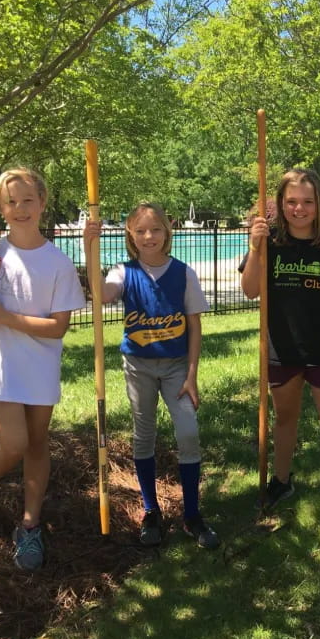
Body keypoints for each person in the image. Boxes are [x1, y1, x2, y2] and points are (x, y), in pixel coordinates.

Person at [0, 168, 86, 570]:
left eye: (28, 200)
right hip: (0, 365)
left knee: (36, 444)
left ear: (43, 203)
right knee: (12, 443)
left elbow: (58, 328)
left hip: (41, 367)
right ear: (0, 208)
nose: (20, 208)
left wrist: (5, 315)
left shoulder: (58, 263)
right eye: (10, 202)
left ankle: (29, 526)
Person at [240, 168, 320, 536]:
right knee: (285, 419)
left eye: (307, 202)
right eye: (292, 201)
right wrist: (254, 247)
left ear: (319, 205)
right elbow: (250, 290)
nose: (299, 208)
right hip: (282, 349)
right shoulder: (269, 243)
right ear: (281, 204)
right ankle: (282, 481)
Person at [83, 203, 219, 549]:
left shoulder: (183, 273)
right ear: (130, 234)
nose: (149, 236)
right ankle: (151, 511)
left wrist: (192, 374)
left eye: (155, 229)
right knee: (143, 435)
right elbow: (102, 295)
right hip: (138, 366)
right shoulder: (123, 272)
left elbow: (195, 327)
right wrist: (89, 248)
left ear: (167, 232)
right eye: (141, 230)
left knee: (188, 432)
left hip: (176, 367)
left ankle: (192, 515)